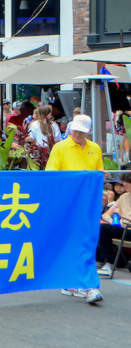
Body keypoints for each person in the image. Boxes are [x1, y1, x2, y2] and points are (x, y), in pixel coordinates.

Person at [43, 114, 104, 304]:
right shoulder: (60, 147)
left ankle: (78, 281)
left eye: (83, 131)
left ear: (89, 132)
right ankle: (82, 283)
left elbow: (98, 172)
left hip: (89, 202)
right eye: (76, 129)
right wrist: (77, 176)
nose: (78, 134)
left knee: (86, 239)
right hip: (68, 202)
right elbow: (51, 176)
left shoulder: (95, 148)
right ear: (70, 128)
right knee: (76, 239)